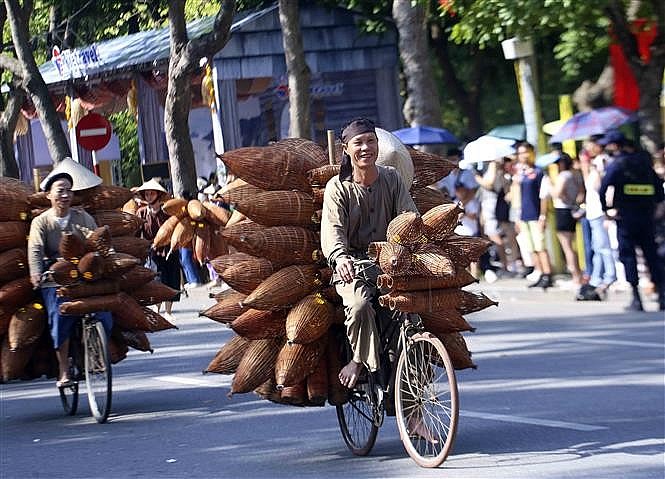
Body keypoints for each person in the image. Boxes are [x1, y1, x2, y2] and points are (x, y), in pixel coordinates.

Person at [321, 118, 418, 390]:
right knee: (360, 305)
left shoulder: (392, 178)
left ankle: (413, 411)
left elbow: (408, 217)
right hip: (353, 266)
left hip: (392, 261)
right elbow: (333, 230)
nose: (366, 148)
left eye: (371, 141)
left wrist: (417, 242)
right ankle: (359, 360)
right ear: (346, 150)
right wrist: (340, 258)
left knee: (416, 319)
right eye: (359, 143)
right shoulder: (337, 187)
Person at [28, 160, 113, 388]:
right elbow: (35, 248)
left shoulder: (82, 218)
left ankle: (96, 353)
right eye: (60, 191)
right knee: (60, 315)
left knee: (103, 311)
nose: (65, 195)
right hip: (54, 279)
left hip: (83, 276)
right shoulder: (41, 222)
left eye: (68, 191)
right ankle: (64, 369)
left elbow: (96, 238)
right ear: (49, 196)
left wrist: (108, 255)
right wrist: (37, 273)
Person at [599, 132, 665, 311]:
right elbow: (659, 189)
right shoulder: (644, 163)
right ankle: (662, 295)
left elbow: (604, 187)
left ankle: (636, 298)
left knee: (628, 257)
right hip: (646, 216)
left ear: (616, 146)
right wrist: (657, 207)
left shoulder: (618, 164)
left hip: (626, 217)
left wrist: (607, 210)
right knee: (651, 255)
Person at [135, 178, 182, 320]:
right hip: (153, 252)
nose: (149, 196)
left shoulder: (167, 211)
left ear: (158, 194)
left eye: (152, 193)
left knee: (171, 279)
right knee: (157, 280)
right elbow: (137, 233)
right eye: (147, 194)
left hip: (169, 250)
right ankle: (157, 309)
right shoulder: (142, 213)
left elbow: (175, 228)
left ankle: (168, 311)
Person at [577, 136, 616, 301]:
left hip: (600, 210)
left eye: (590, 146)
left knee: (603, 246)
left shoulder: (603, 162)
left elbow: (598, 186)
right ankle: (596, 278)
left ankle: (610, 276)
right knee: (597, 246)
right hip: (593, 210)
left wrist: (595, 170)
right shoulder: (595, 163)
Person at [513, 142, 554, 289]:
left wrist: (543, 216)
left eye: (525, 152)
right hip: (524, 215)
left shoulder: (538, 172)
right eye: (520, 153)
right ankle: (540, 272)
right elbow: (517, 197)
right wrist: (517, 217)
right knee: (531, 247)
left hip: (536, 214)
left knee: (540, 246)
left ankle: (548, 274)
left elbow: (544, 196)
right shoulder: (520, 174)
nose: (522, 156)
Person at [550, 152, 584, 285]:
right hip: (572, 209)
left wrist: (550, 186)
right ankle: (578, 274)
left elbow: (557, 193)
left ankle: (576, 276)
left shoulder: (563, 175)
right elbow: (581, 193)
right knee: (571, 244)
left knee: (567, 246)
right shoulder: (576, 174)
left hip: (562, 210)